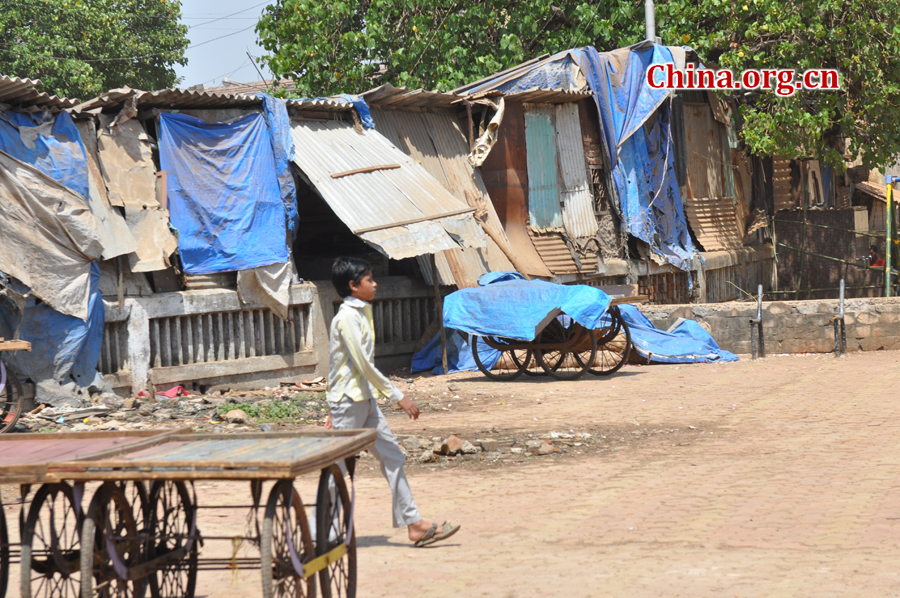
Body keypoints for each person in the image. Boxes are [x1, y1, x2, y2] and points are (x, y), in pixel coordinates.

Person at [325, 256, 460, 547]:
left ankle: (414, 525)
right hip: (349, 403)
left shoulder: (361, 313)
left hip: (365, 402)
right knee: (336, 467)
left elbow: (345, 365)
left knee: (393, 457)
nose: (375, 284)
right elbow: (360, 364)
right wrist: (399, 397)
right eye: (369, 280)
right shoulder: (347, 317)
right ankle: (319, 532)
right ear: (353, 285)